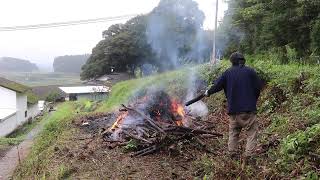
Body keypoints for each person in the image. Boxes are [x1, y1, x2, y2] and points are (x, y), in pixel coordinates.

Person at [204, 52, 263, 159]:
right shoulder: (250, 71)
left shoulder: (227, 73)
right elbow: (258, 87)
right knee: (252, 133)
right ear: (243, 60)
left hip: (233, 111)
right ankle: (249, 156)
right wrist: (253, 100)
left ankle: (232, 154)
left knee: (233, 133)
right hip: (248, 110)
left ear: (231, 61)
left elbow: (217, 85)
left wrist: (208, 92)